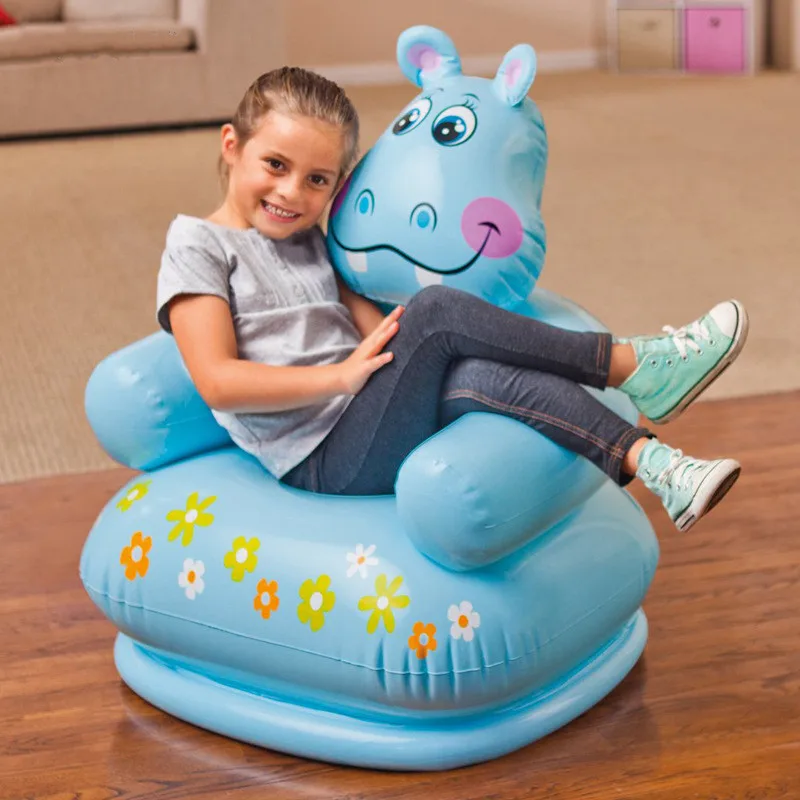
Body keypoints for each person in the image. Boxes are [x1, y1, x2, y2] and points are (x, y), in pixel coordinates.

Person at [157, 67, 749, 532]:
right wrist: (341, 376)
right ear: (232, 145)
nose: (291, 192)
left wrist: (401, 350)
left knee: (478, 372)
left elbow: (360, 315)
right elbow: (217, 381)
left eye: (318, 180)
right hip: (321, 459)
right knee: (436, 310)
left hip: (365, 409)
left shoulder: (306, 236)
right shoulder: (198, 245)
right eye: (275, 165)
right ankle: (631, 364)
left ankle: (659, 467)